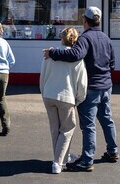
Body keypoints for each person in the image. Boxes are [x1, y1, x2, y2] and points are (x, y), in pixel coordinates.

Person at [43, 6, 118, 173]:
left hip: (91, 87)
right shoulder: (106, 38)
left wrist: (53, 52)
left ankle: (87, 159)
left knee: (88, 125)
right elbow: (112, 63)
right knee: (107, 119)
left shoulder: (85, 38)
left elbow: (74, 55)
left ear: (85, 20)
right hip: (106, 86)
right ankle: (112, 151)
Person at [40, 27, 87, 174]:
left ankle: (61, 158)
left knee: (55, 129)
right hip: (66, 96)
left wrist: (44, 92)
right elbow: (82, 83)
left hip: (49, 94)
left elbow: (43, 76)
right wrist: (78, 99)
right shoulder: (76, 58)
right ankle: (58, 162)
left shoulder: (49, 54)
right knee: (67, 129)